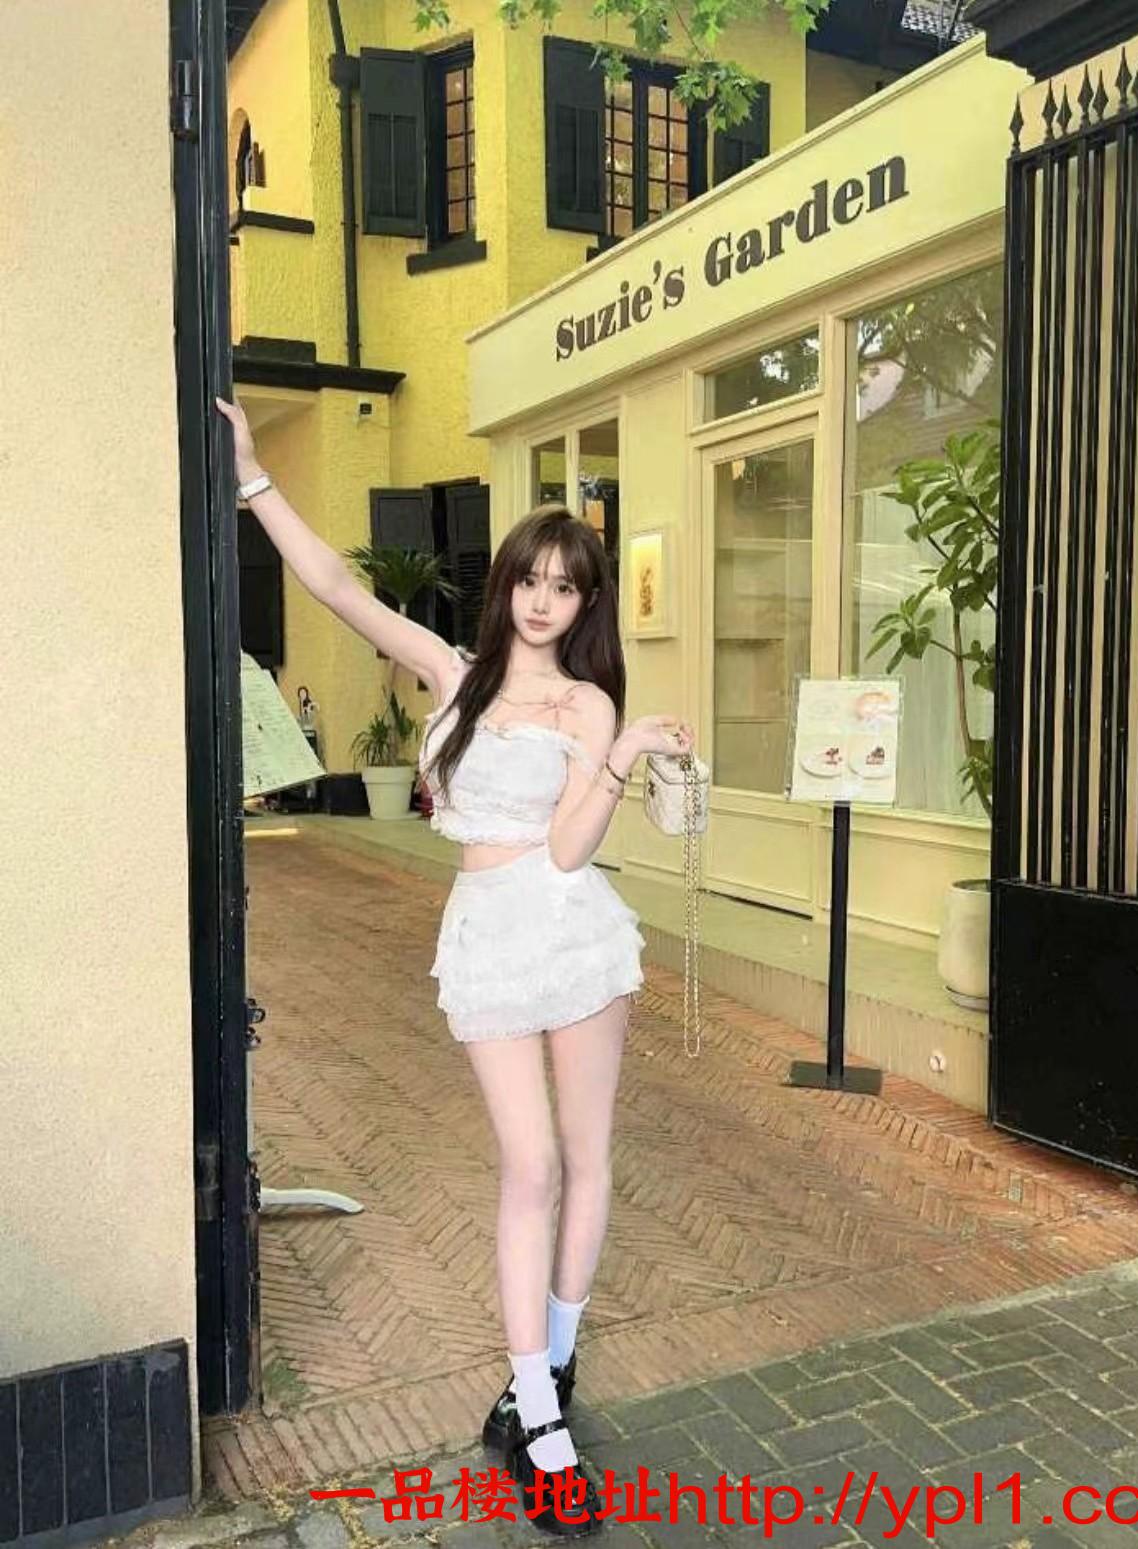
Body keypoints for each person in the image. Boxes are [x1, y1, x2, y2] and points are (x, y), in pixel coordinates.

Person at [215, 397, 695, 1537]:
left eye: (565, 586)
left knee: (585, 1159)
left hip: (572, 928)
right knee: (529, 1164)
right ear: (507, 585)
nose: (542, 599)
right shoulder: (455, 672)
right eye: (530, 578)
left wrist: (620, 753)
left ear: (584, 603)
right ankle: (538, 1404)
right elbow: (339, 589)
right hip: (486, 933)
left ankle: (547, 1385)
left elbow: (571, 850)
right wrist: (251, 480)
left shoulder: (588, 701)